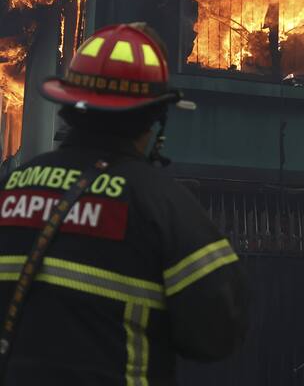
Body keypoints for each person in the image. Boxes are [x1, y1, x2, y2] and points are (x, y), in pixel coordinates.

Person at [0, 23, 249, 385]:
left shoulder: (11, 190)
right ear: (152, 120)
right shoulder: (162, 205)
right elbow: (218, 334)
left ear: (69, 107)